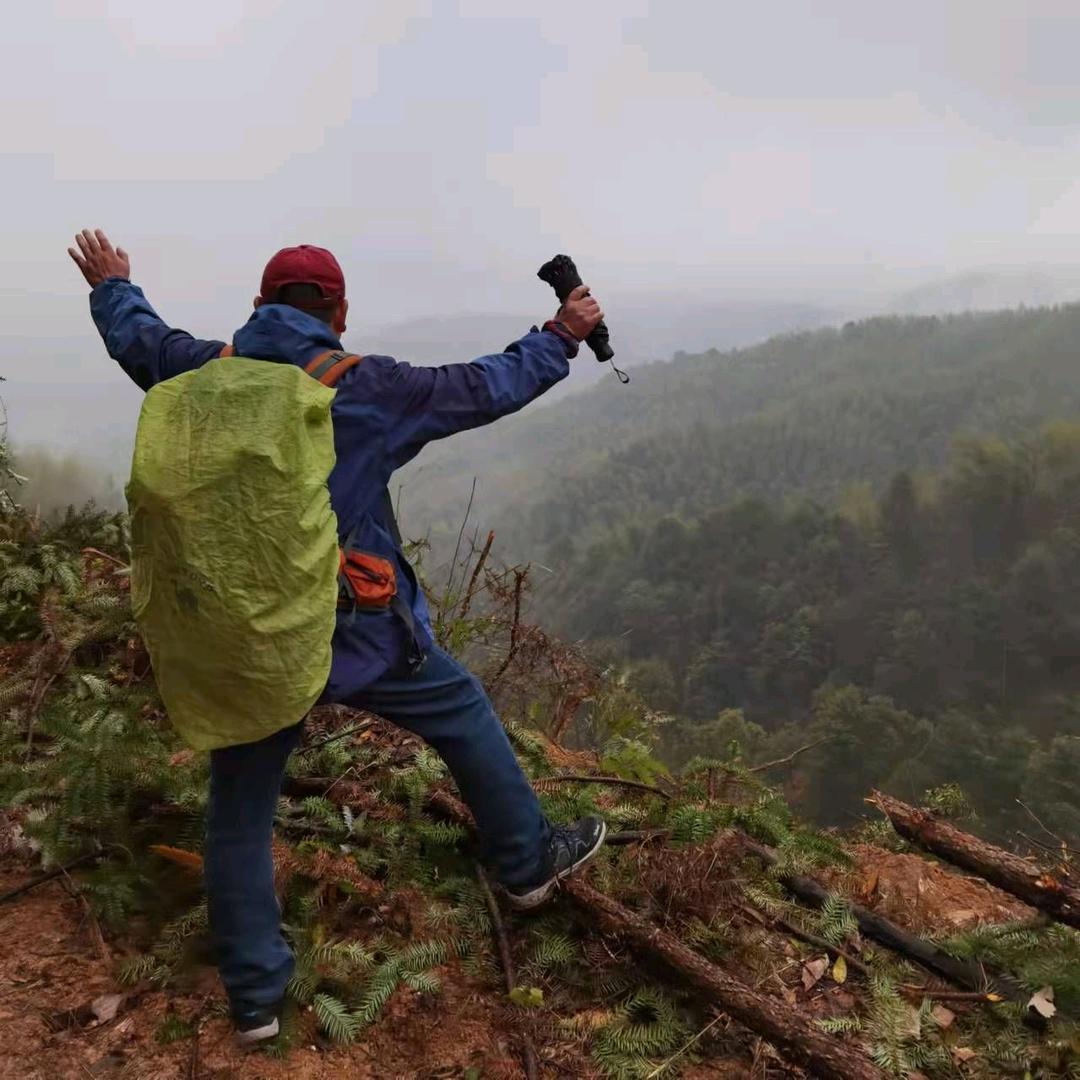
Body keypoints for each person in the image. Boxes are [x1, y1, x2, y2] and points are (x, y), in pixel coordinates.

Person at [68, 228, 607, 1043]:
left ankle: (255, 1000)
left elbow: (142, 341)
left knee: (240, 804)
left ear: (258, 305)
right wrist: (562, 333)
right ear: (340, 314)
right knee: (460, 709)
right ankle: (528, 864)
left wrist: (112, 285)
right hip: (352, 631)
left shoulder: (202, 372)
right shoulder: (363, 389)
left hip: (249, 638)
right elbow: (482, 386)